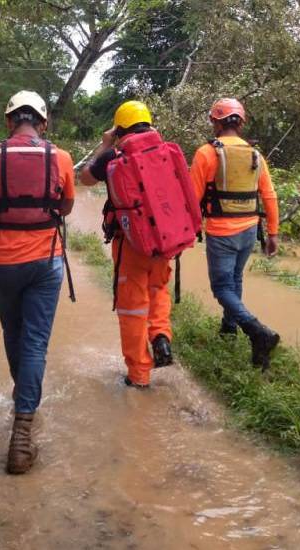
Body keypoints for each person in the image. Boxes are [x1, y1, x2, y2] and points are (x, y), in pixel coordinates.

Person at [0, 90, 75, 474]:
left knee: (14, 335)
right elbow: (66, 207)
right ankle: (23, 428)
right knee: (35, 343)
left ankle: (23, 400)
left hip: (3, 263)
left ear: (10, 122)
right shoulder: (61, 158)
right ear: (42, 124)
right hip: (47, 263)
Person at [80, 100, 188, 388]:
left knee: (133, 308)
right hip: (164, 242)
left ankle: (139, 374)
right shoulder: (165, 150)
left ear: (119, 127)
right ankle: (161, 336)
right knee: (158, 290)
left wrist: (104, 145)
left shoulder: (113, 154)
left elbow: (85, 179)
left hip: (130, 244)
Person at [189, 98, 280, 370]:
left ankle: (257, 332)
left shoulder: (206, 153)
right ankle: (228, 329)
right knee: (235, 279)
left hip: (221, 231)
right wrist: (273, 233)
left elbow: (193, 198)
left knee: (221, 288)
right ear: (240, 123)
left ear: (216, 121)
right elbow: (269, 195)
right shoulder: (255, 155)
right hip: (250, 230)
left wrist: (191, 228)